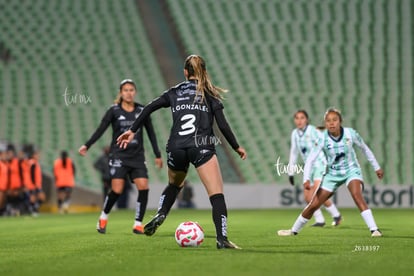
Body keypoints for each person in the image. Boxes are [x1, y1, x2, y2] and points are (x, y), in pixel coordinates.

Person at [117, 55, 247, 249]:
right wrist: (236, 146)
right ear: (203, 71)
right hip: (201, 146)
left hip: (176, 147)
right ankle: (222, 239)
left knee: (174, 184)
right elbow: (223, 125)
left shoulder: (174, 92)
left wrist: (132, 130)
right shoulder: (209, 94)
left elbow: (149, 108)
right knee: (216, 195)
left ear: (185, 72)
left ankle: (161, 212)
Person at [278, 108, 384, 237]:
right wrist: (305, 178)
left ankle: (374, 229)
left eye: (334, 120)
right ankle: (293, 231)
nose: (331, 123)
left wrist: (376, 167)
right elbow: (310, 159)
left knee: (356, 194)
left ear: (340, 121)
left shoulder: (350, 134)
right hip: (332, 174)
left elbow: (364, 149)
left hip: (351, 171)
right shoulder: (322, 138)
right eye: (328, 121)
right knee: (313, 204)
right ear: (325, 123)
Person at [78, 79, 163, 235]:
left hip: (137, 156)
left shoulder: (142, 110)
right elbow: (100, 129)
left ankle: (138, 223)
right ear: (121, 93)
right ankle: (103, 216)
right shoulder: (114, 111)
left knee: (144, 186)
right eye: (125, 90)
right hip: (119, 155)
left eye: (131, 90)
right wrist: (87, 145)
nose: (129, 93)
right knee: (117, 190)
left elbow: (151, 133)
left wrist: (157, 154)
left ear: (135, 92)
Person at [288, 110, 342, 226]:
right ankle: (320, 220)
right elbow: (294, 152)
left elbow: (326, 139)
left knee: (317, 192)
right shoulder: (294, 134)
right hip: (309, 168)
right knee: (308, 197)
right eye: (297, 118)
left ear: (307, 119)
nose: (299, 120)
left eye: (302, 118)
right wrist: (290, 172)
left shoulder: (313, 130)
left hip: (320, 163)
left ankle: (336, 215)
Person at [24, 149, 46, 216]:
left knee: (37, 197)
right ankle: (32, 210)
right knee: (35, 197)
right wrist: (34, 184)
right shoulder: (33, 163)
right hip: (33, 184)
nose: (38, 156)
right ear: (33, 155)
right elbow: (32, 174)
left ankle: (33, 209)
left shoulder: (33, 162)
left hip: (35, 184)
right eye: (37, 155)